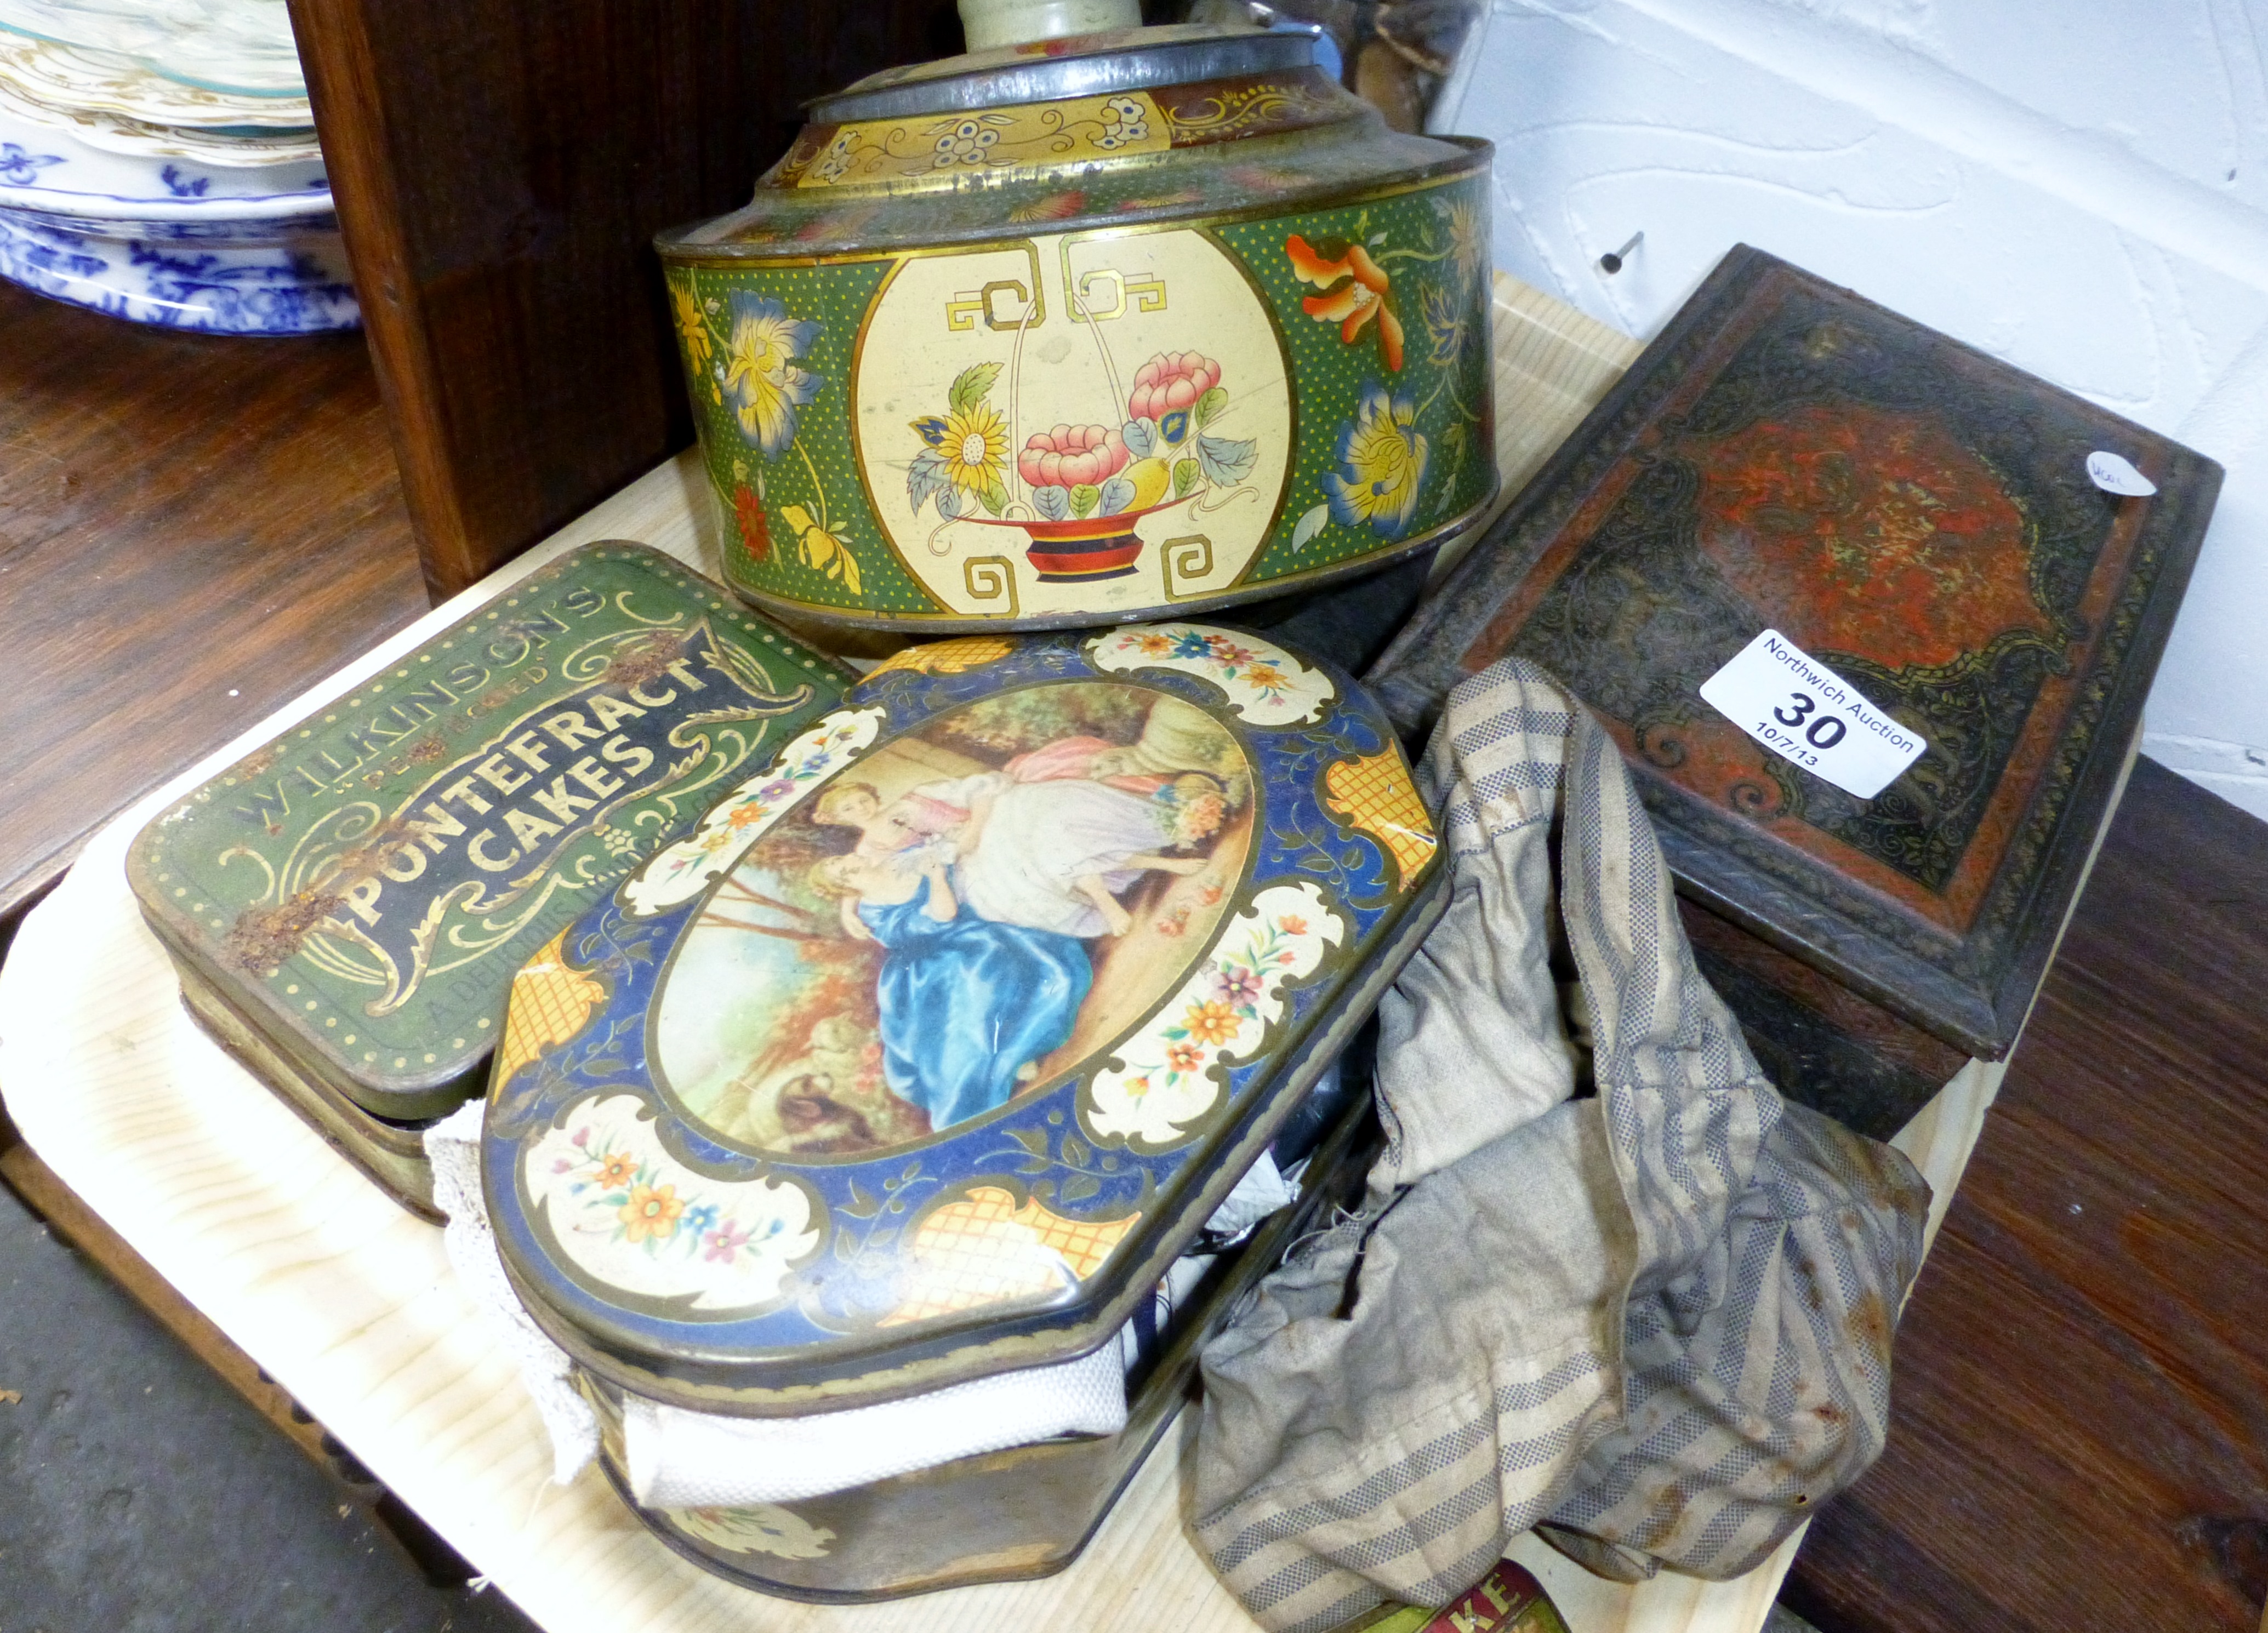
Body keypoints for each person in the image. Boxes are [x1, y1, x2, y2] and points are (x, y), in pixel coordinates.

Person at [810, 847, 1092, 1133]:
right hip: (926, 963)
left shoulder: (897, 860)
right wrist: (935, 878)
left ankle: (1016, 1051)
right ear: (847, 885)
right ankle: (1006, 1064)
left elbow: (945, 850)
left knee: (1007, 957)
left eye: (838, 858)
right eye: (843, 871)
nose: (848, 860)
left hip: (968, 930)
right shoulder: (873, 912)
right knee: (972, 983)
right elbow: (942, 916)